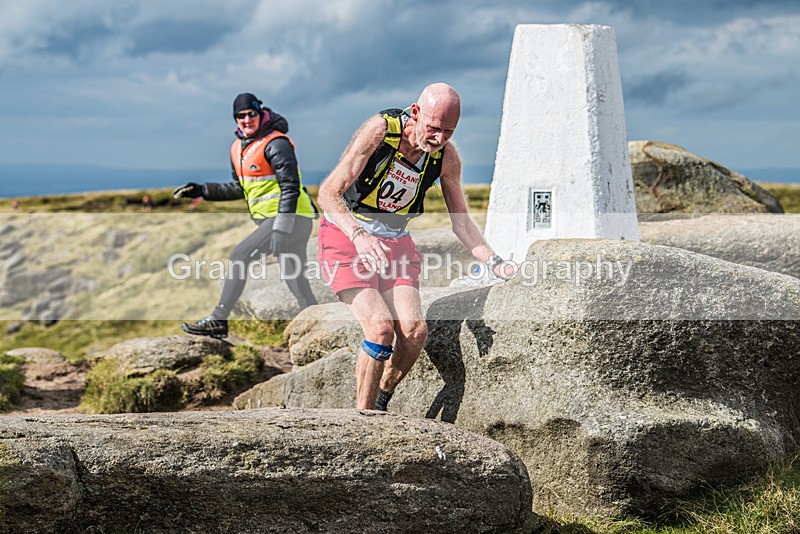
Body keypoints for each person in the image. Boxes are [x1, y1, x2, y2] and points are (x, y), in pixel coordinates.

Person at [316, 83, 514, 411]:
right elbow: (328, 193)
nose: (437, 139)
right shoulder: (381, 130)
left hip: (395, 242)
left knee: (414, 331)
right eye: (433, 128)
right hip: (348, 235)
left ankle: (382, 398)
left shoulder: (446, 158)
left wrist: (496, 262)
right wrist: (359, 236)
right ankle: (361, 422)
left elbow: (461, 222)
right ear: (416, 112)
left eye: (447, 132)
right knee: (381, 328)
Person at [174, 93, 318, 338]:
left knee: (239, 255)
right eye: (240, 116)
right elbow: (241, 186)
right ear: (235, 119)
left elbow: (290, 187)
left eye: (251, 114)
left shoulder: (276, 143)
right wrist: (203, 190)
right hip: (282, 219)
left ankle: (218, 318)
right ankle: (317, 321)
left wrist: (281, 228)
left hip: (290, 217)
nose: (246, 119)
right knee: (293, 274)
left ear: (260, 113)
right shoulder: (239, 147)